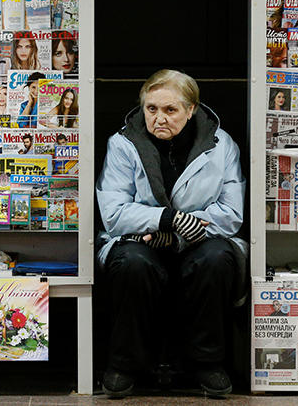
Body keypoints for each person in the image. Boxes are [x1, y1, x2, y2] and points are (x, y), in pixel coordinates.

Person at [96, 70, 245, 397]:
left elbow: (231, 214)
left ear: (191, 110)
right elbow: (114, 213)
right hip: (141, 242)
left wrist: (178, 235)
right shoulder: (123, 144)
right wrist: (167, 219)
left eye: (170, 110)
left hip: (197, 241)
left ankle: (208, 364)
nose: (159, 118)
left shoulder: (222, 146)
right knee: (132, 262)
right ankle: (123, 365)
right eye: (151, 109)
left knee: (217, 258)